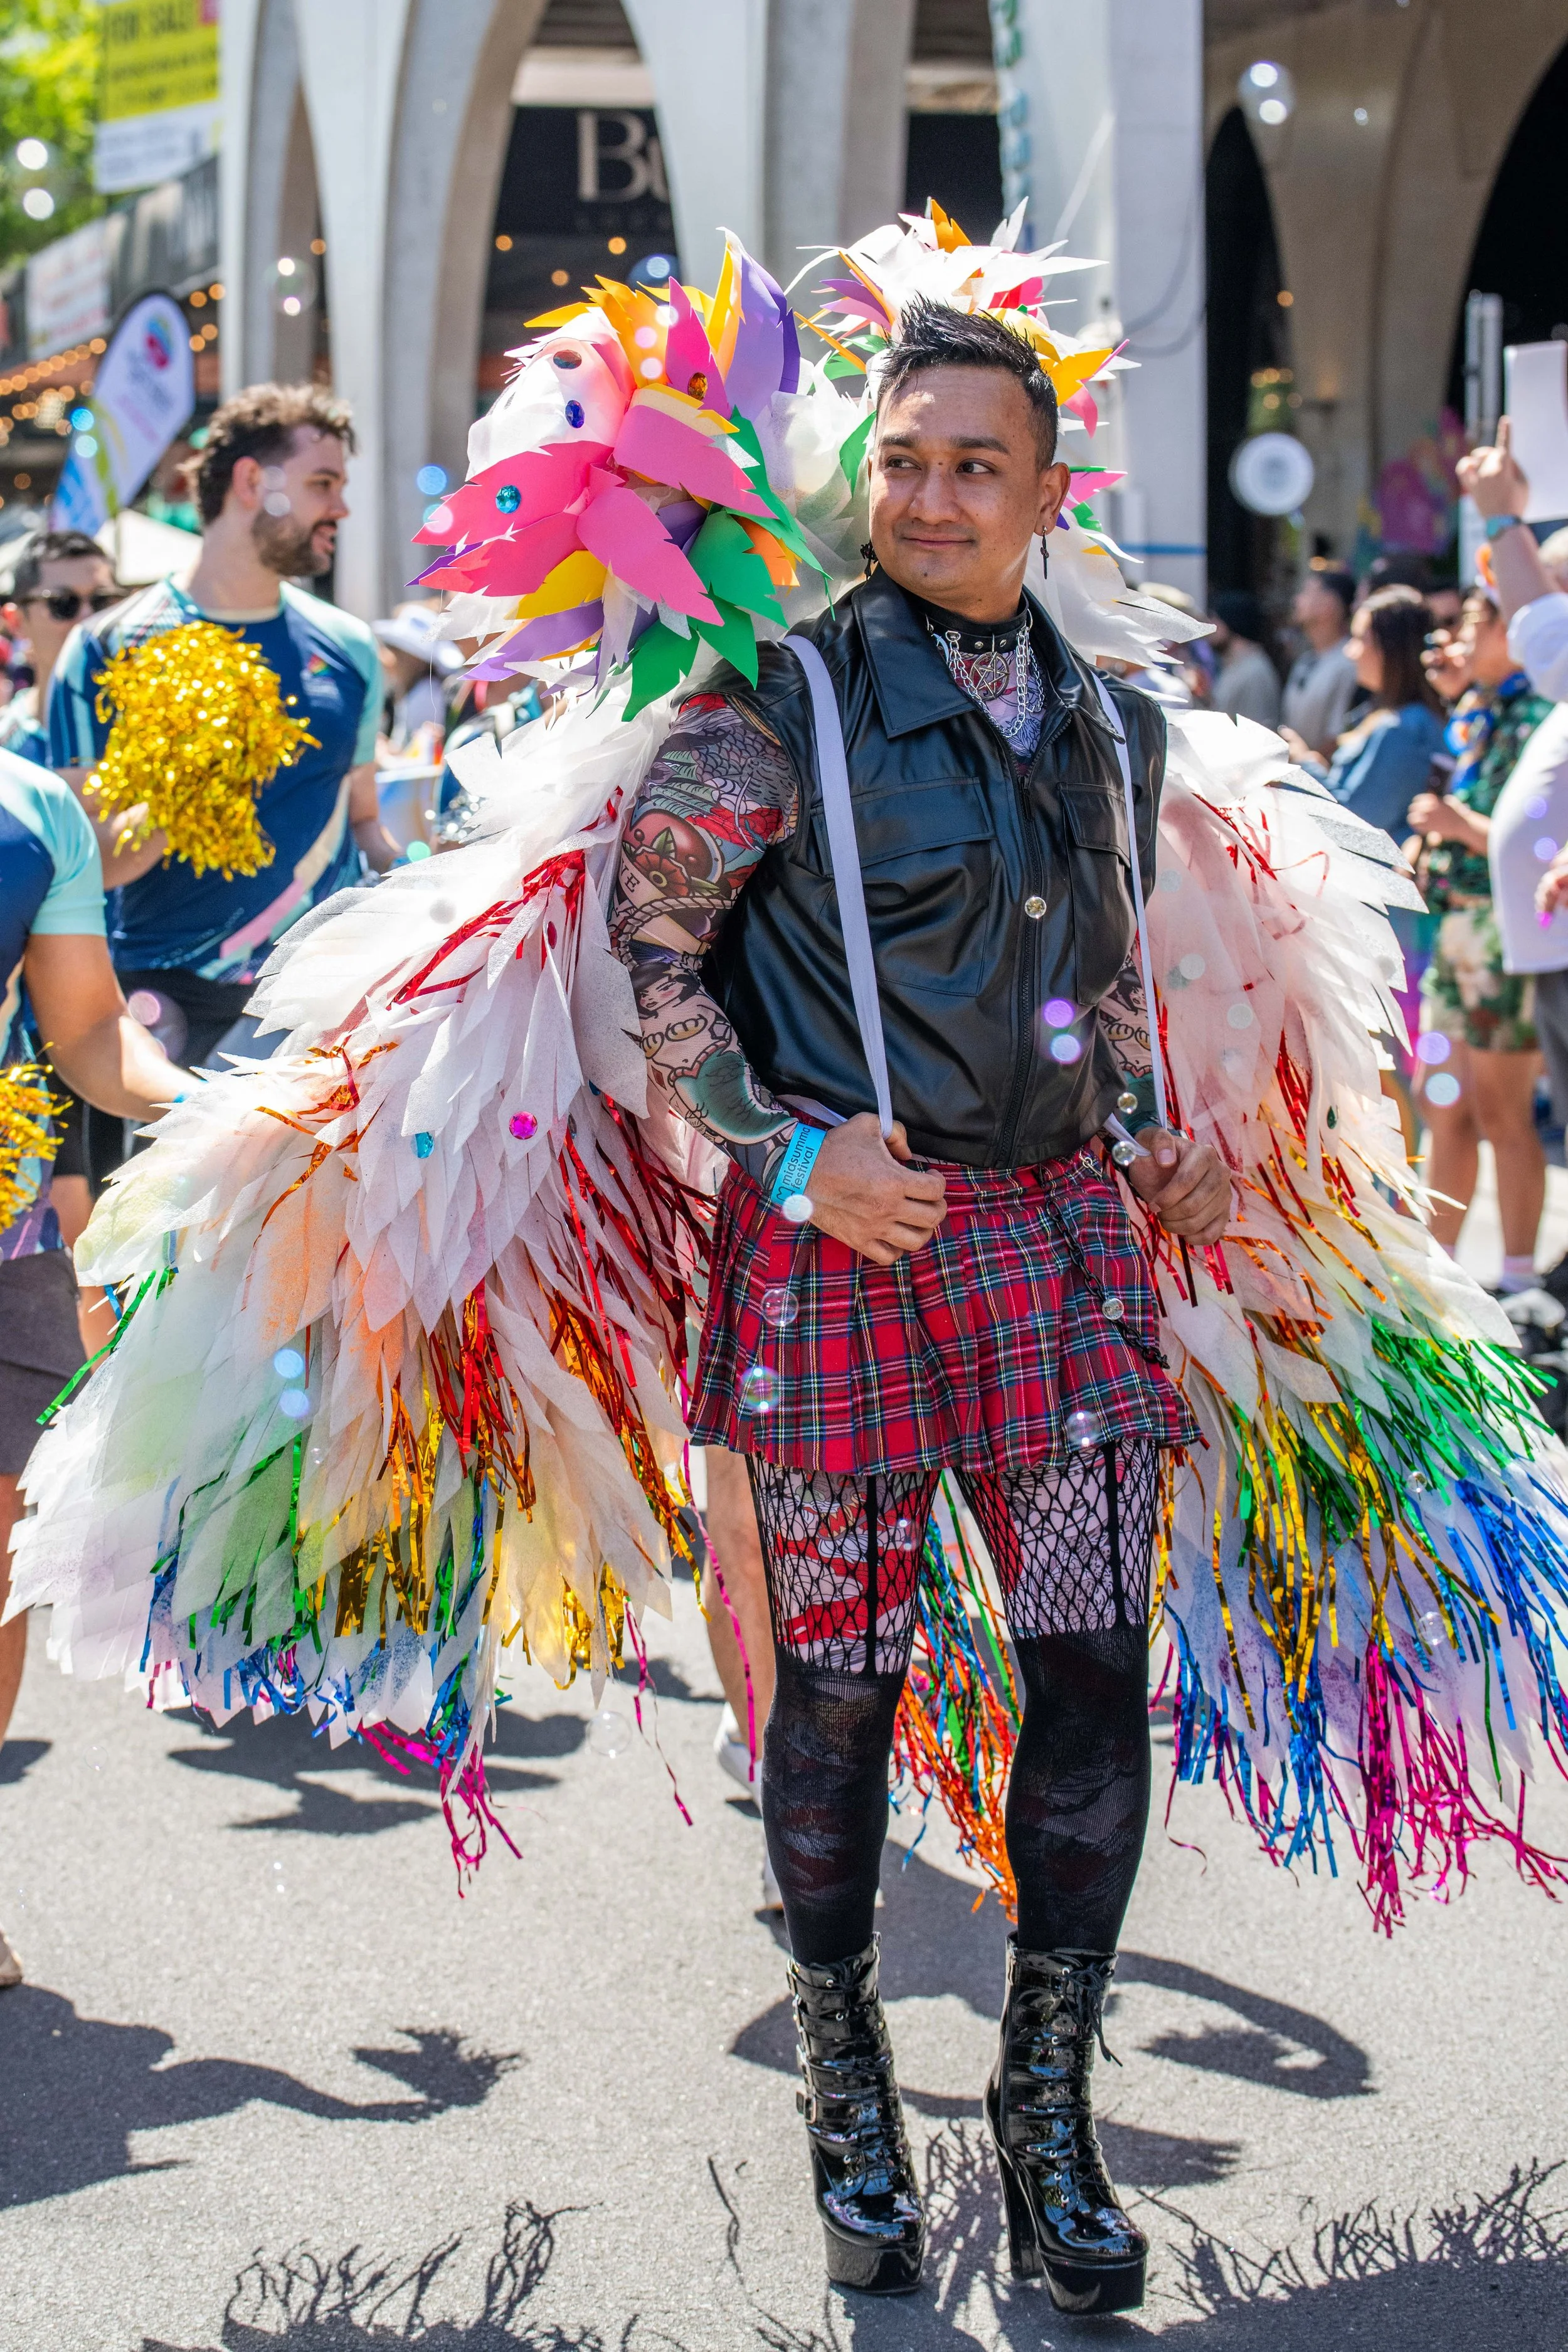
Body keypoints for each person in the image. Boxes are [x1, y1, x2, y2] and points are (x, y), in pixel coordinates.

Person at [610, 296, 1228, 2307]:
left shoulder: (1115, 722)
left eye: (975, 465)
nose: (931, 496)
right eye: (901, 461)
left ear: (1048, 496)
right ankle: (847, 2081)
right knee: (839, 1693)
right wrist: (789, 1155)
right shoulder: (771, 697)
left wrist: (1140, 1123)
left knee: (1087, 1669)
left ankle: (1045, 2106)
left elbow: (1091, 979)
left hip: (1051, 1242)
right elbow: (656, 951)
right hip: (845, 1246)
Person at [47, 384, 401, 1133]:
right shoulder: (108, 646)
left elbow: (364, 823)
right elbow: (84, 867)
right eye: (322, 483)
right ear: (250, 481)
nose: (340, 508)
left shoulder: (350, 648)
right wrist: (187, 788)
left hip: (322, 1009)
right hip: (162, 1020)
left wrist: (442, 898)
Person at [0, 744, 187, 1988]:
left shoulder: (33, 807)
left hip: (7, 1241)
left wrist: (211, 1107)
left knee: (1, 1557)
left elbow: (84, 1028)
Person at [1405, 583, 1554, 1287]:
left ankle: (1520, 1279)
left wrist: (1458, 827)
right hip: (1457, 931)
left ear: (1510, 633)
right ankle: (1443, 1273)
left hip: (1504, 934)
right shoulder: (1478, 711)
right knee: (1441, 1100)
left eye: (1473, 623)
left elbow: (1539, 845)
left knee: (1502, 1110)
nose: (1461, 638)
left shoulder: (1542, 716)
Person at [1287, 586, 1444, 836]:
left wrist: (1302, 763)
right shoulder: (1391, 717)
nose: (1350, 652)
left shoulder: (1402, 729)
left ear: (1391, 649)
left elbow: (1355, 826)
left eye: (1360, 639)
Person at [0, 529, 120, 768]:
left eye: (102, 601)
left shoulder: (153, 730)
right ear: (17, 621)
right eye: (63, 603)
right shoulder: (5, 750)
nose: (87, 618)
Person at [1281, 561, 1358, 760]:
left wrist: (1305, 764)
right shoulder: (1305, 660)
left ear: (1329, 605)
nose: (1297, 600)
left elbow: (1337, 738)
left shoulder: (1349, 662)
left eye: (1306, 593)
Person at [373, 601, 462, 754]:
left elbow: (416, 753)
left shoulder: (425, 695)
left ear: (410, 658)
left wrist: (386, 753)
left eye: (395, 650)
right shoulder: (416, 690)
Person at [1208, 588, 1281, 727]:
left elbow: (1258, 730)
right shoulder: (1238, 665)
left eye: (1215, 620)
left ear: (1231, 623)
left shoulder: (1254, 672)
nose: (1210, 627)